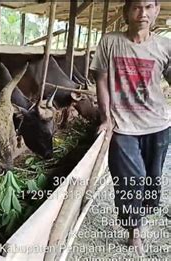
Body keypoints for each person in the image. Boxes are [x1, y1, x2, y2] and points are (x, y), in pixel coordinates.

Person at [90, 0, 170, 256]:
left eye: (149, 7)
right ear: (126, 12)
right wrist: (105, 117)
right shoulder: (110, 42)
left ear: (156, 10)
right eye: (136, 7)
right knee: (129, 181)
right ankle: (134, 228)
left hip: (158, 125)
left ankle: (143, 211)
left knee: (152, 181)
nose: (143, 13)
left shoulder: (165, 46)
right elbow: (101, 79)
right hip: (123, 126)